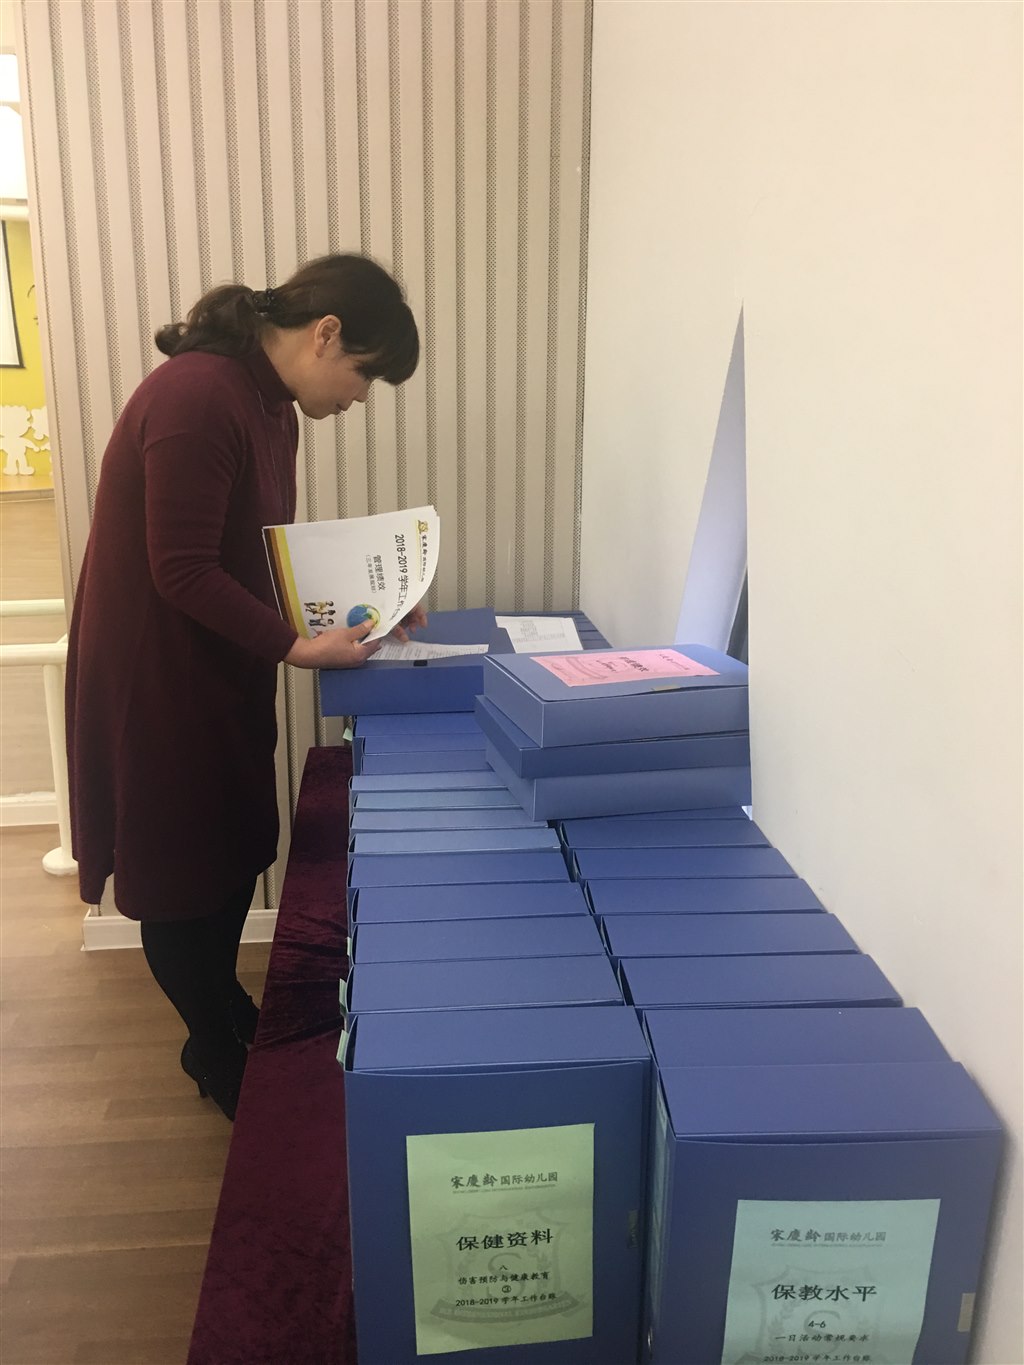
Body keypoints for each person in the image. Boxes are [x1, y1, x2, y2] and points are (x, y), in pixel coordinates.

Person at [65, 253, 422, 1119]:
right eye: (364, 373)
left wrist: (375, 600)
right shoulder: (198, 397)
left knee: (229, 854)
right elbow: (182, 568)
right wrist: (298, 648)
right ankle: (213, 1044)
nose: (360, 396)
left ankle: (223, 1014)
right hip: (157, 677)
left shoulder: (268, 407)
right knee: (179, 874)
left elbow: (259, 556)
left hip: (217, 666)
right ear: (325, 333)